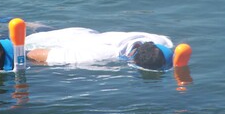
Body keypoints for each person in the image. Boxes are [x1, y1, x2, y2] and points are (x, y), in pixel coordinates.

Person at [24, 27, 184, 71]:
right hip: (66, 44)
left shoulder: (158, 39)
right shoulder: (102, 55)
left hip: (79, 32)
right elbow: (35, 54)